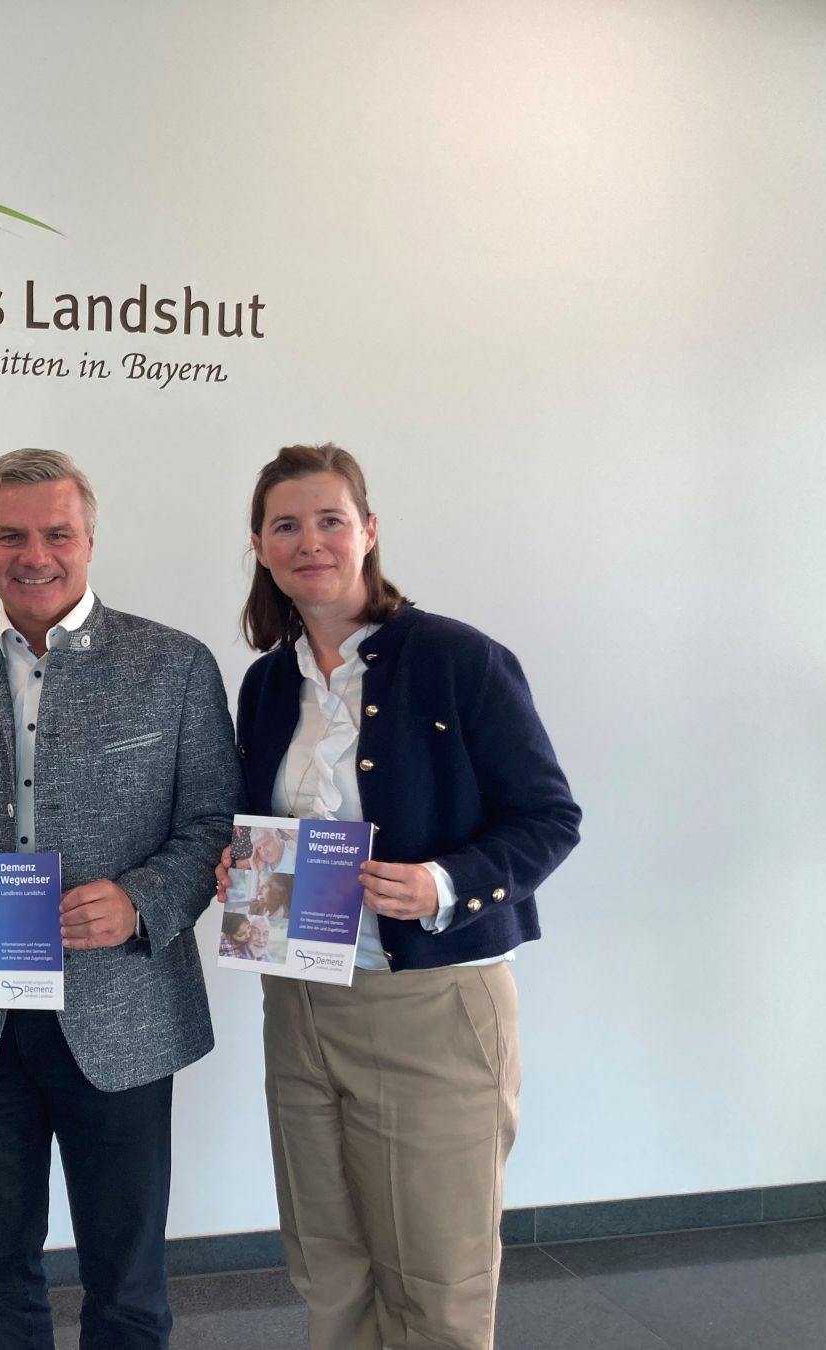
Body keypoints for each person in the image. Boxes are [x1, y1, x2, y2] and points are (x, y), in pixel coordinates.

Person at [0, 448, 239, 1350]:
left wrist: (142, 901)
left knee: (128, 1281)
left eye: (57, 534)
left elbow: (214, 825)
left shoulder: (176, 666)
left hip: (124, 1011)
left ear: (90, 540)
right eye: (11, 536)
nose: (35, 555)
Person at [223, 442, 581, 1350]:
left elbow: (549, 817)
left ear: (369, 531)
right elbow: (257, 822)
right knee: (329, 1265)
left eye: (330, 520)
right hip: (299, 1001)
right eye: (286, 525)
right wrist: (237, 870)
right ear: (260, 547)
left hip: (431, 1006)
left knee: (437, 1277)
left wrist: (441, 882)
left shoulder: (460, 659)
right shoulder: (267, 684)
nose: (310, 542)